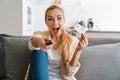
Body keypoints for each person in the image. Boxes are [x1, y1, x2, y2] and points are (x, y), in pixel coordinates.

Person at [26, 4, 88, 80]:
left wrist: (78, 50)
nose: (55, 22)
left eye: (59, 18)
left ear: (64, 20)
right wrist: (39, 42)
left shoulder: (73, 41)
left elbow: (69, 73)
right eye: (50, 19)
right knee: (37, 52)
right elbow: (32, 43)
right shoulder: (41, 35)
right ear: (46, 22)